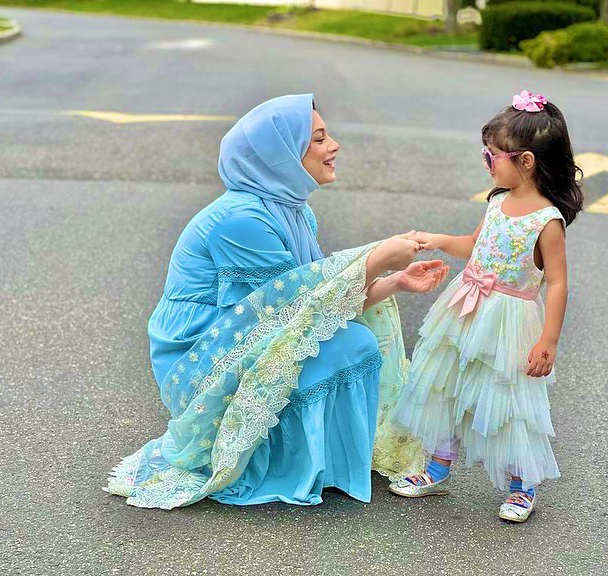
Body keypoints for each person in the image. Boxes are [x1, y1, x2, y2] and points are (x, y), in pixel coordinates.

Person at [105, 94, 448, 509]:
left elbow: (320, 302)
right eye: (318, 139)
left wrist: (394, 280)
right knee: (351, 344)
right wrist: (374, 259)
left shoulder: (293, 210)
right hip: (200, 345)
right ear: (280, 155)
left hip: (246, 326)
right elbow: (285, 311)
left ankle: (325, 463)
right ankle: (291, 466)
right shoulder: (242, 219)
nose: (334, 145)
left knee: (353, 338)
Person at [389, 91, 584, 523]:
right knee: (449, 383)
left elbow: (557, 283)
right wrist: (437, 239)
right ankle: (438, 466)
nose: (487, 162)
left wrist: (548, 340)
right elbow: (474, 245)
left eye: (492, 155)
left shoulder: (546, 221)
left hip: (510, 319)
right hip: (466, 306)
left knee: (507, 400)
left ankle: (521, 485)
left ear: (526, 161)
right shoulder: (497, 201)